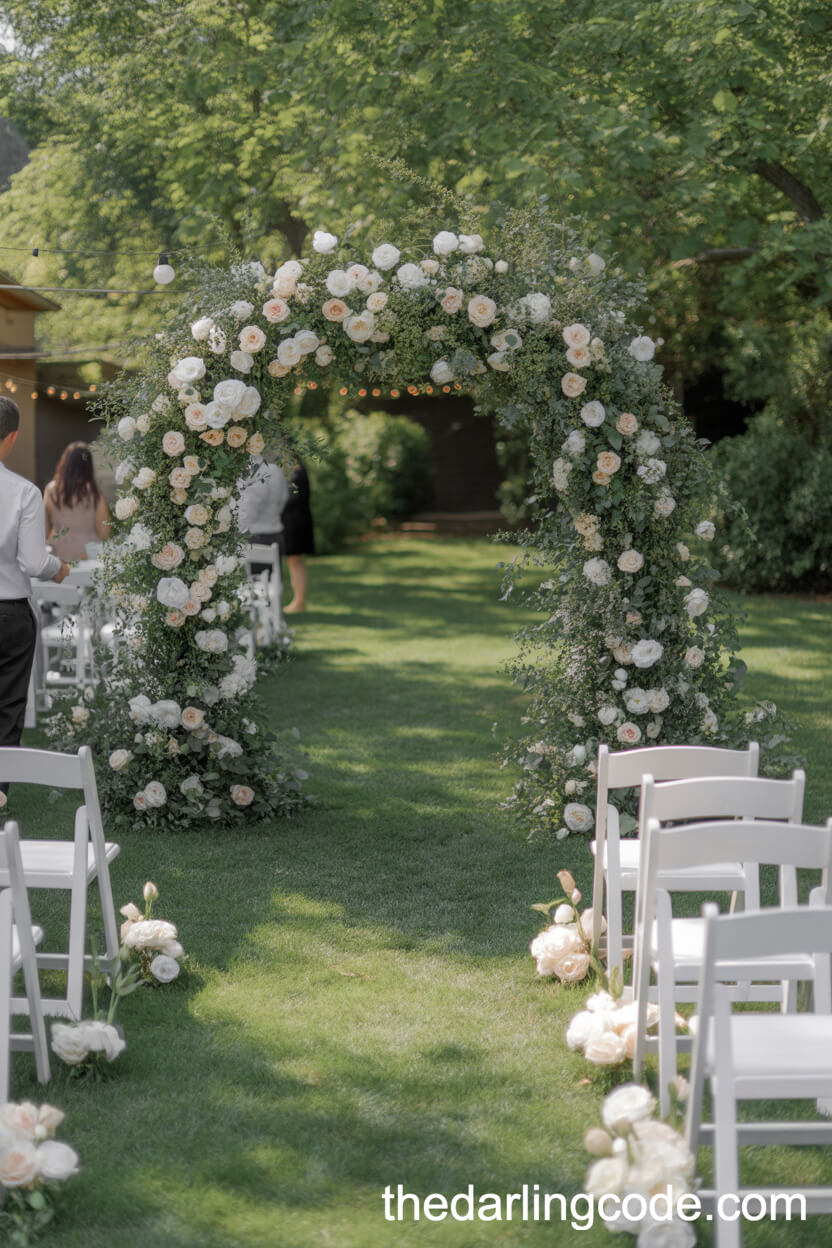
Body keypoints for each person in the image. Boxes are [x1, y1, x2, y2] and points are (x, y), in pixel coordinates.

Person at [0, 397, 70, 796]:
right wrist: (56, 568)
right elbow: (31, 560)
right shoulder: (23, 492)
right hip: (8, 612)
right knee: (8, 704)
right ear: (12, 438)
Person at [43, 440, 111, 561]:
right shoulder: (94, 491)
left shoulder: (51, 490)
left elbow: (43, 529)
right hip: (89, 552)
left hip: (59, 551)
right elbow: (104, 530)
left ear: (65, 463)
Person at [236, 456, 289, 569]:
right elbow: (283, 499)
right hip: (276, 534)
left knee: (257, 584)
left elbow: (250, 509)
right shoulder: (276, 469)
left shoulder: (253, 471)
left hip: (256, 539)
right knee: (274, 582)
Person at [280, 460, 315, 613]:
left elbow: (291, 498)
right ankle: (298, 601)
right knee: (294, 562)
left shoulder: (295, 471)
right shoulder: (296, 470)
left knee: (295, 561)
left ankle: (299, 601)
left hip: (294, 523)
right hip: (295, 521)